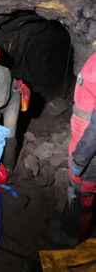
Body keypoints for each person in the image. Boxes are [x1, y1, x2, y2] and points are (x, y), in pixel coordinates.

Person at [45, 52, 96, 246]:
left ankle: (73, 237)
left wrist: (80, 159)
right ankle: (67, 223)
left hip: (90, 151)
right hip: (83, 141)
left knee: (84, 195)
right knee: (73, 190)